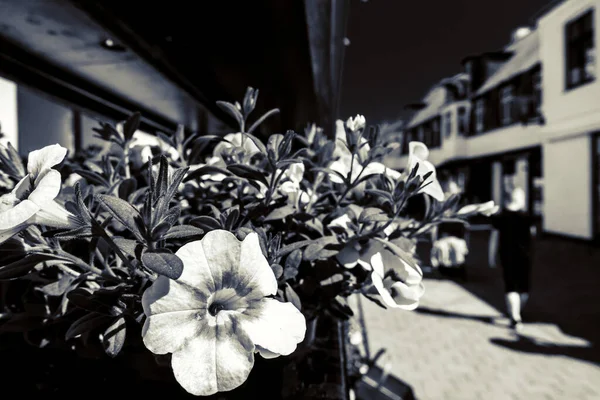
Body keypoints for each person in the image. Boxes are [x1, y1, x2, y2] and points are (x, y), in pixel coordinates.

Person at [489, 186, 537, 331]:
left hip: (507, 256)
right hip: (525, 257)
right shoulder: (528, 217)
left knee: (511, 285)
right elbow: (533, 236)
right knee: (524, 288)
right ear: (521, 200)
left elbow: (494, 239)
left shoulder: (500, 217)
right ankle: (517, 313)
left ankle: (515, 316)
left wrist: (491, 256)